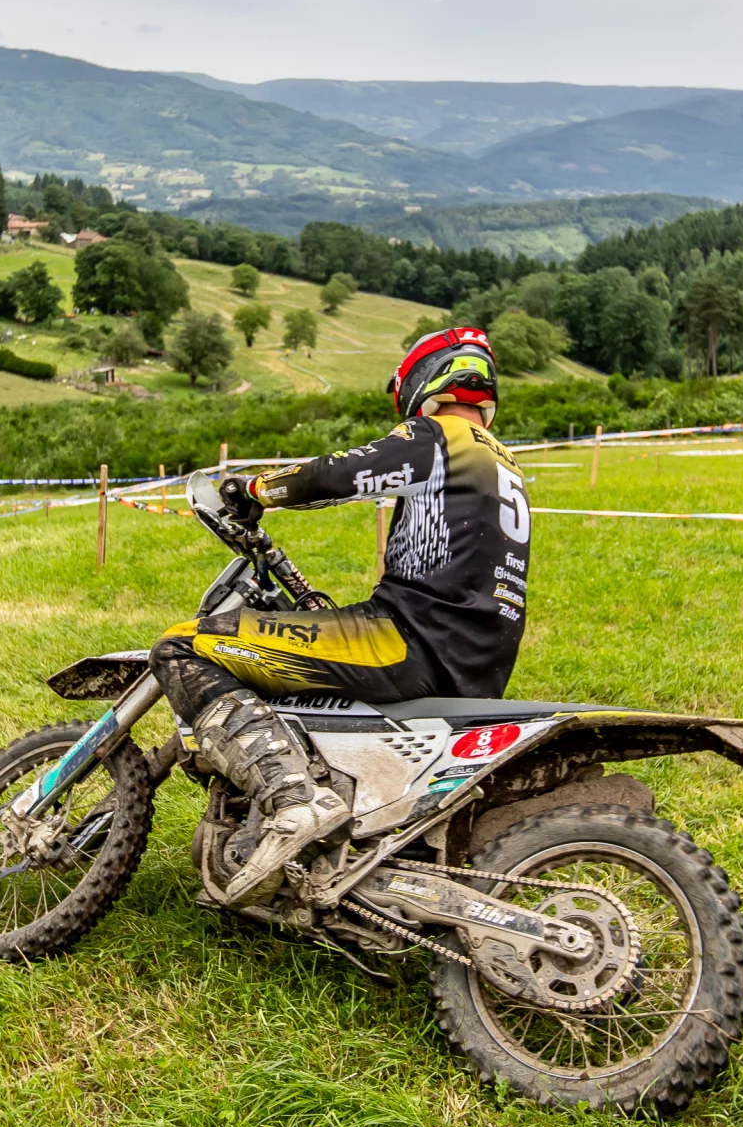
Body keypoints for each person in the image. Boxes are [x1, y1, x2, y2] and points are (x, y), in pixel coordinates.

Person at [150, 328, 531, 903]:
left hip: (409, 637)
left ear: (423, 381)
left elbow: (334, 475)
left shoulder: (439, 435)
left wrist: (251, 490)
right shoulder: (506, 463)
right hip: (475, 658)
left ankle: (293, 802)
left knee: (182, 647)